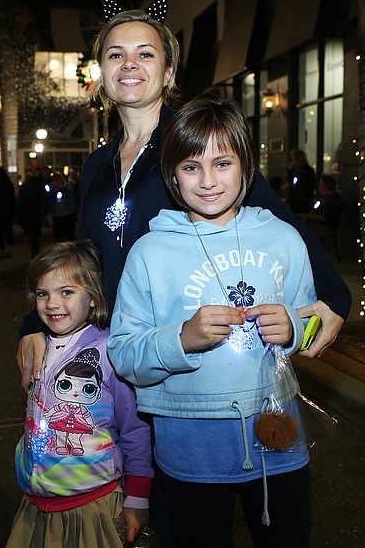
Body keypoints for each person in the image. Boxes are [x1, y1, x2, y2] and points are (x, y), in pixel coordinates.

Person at [17, 5, 350, 385]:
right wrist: (36, 321)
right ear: (102, 72)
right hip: (118, 347)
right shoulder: (96, 163)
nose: (129, 64)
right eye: (115, 55)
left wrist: (335, 297)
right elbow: (87, 256)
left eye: (145, 53)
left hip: (189, 352)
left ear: (168, 71)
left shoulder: (194, 144)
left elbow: (278, 218)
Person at [108, 96, 316, 547]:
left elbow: (311, 317)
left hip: (276, 440)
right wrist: (181, 339)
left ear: (245, 166)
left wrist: (295, 330)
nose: (207, 181)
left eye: (222, 163)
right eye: (190, 167)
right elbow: (124, 353)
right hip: (188, 449)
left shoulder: (283, 238)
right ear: (172, 173)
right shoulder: (149, 253)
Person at [6, 240, 152, 548]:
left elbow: (135, 428)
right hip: (36, 504)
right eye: (42, 293)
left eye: (66, 292)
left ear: (94, 299)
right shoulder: (37, 347)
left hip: (94, 504)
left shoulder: (110, 351)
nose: (52, 303)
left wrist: (138, 496)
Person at [16, 162, 49, 258]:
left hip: (31, 211)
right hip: (35, 211)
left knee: (34, 234)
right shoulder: (38, 183)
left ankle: (34, 252)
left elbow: (23, 198)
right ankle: (35, 252)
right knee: (36, 233)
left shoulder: (29, 183)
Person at [49, 171, 78, 242]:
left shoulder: (67, 185)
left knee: (69, 233)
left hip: (68, 211)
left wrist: (62, 188)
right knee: (58, 235)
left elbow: (71, 192)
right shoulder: (52, 186)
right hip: (57, 213)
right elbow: (49, 197)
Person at [285, 149, 316, 214]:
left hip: (304, 199)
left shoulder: (308, 170)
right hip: (294, 198)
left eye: (294, 159)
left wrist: (296, 185)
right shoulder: (293, 170)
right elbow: (289, 180)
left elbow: (309, 184)